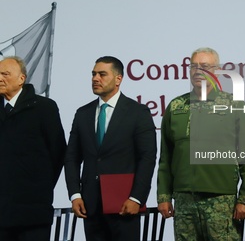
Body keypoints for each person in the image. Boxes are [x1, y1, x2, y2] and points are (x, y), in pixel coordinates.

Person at [157, 47, 245, 241]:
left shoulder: (233, 104)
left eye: (205, 66)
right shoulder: (176, 106)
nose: (198, 71)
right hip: (184, 200)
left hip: (221, 200)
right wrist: (163, 196)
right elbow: (166, 156)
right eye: (194, 66)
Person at [64, 56, 157, 240]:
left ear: (118, 79)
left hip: (124, 204)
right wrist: (75, 194)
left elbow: (147, 158)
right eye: (93, 74)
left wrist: (136, 198)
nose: (95, 78)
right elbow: (71, 158)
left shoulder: (138, 113)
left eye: (102, 74)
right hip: (90, 206)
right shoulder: (82, 114)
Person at [0, 56, 66, 241]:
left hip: (33, 214)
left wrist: (39, 186)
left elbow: (58, 152)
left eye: (5, 74)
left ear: (21, 79)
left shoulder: (44, 108)